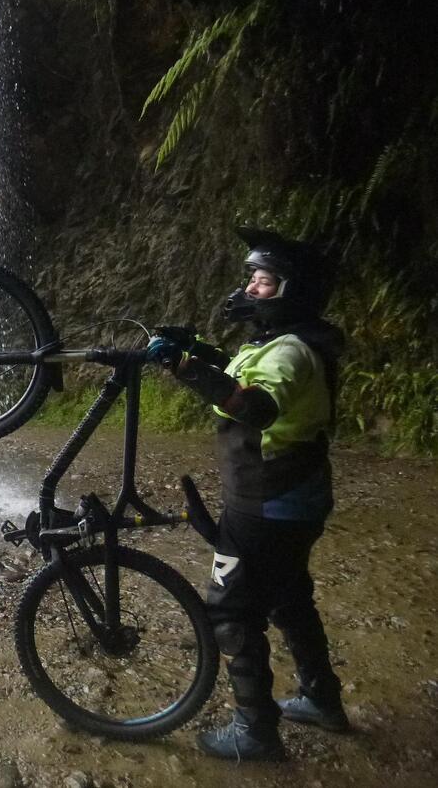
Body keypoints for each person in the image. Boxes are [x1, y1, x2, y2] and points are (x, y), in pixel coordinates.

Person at [146, 226, 349, 762]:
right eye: (252, 279)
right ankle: (321, 698)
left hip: (268, 501)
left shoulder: (292, 354)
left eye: (264, 281)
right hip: (292, 496)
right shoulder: (285, 343)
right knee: (287, 594)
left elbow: (257, 407)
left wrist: (186, 369)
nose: (251, 289)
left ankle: (255, 729)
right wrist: (198, 351)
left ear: (292, 291)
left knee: (232, 606)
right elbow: (240, 376)